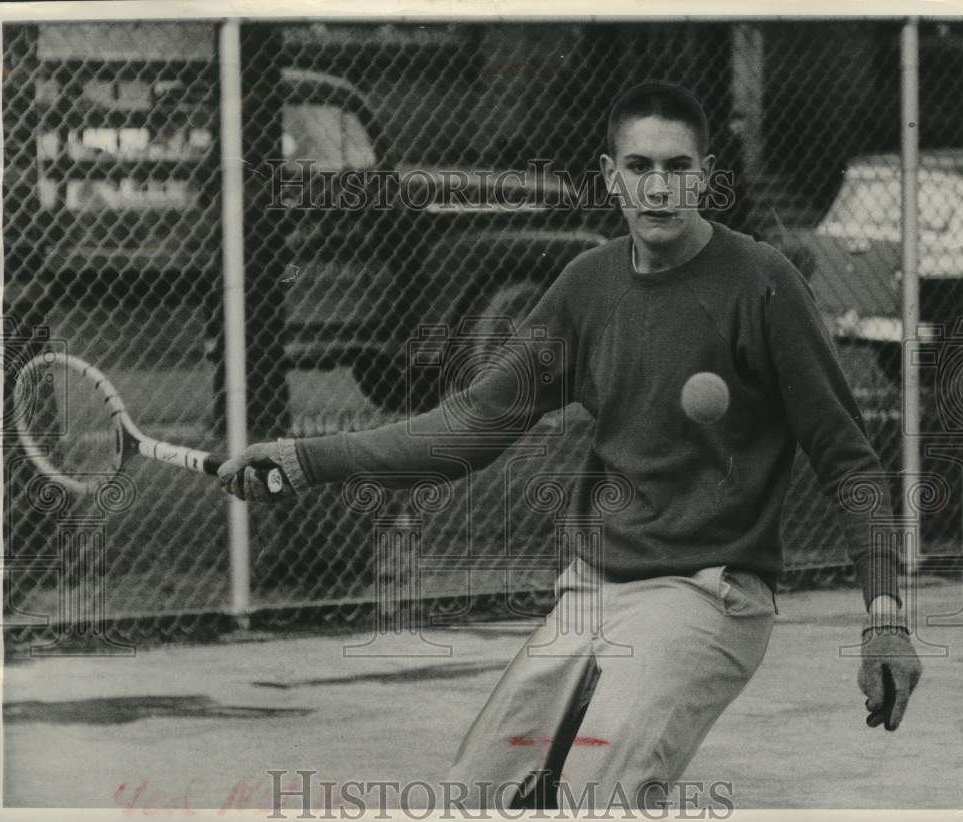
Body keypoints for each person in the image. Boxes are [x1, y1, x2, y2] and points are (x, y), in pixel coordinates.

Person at [219, 82, 922, 810]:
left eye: (677, 166)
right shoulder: (587, 286)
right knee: (477, 794)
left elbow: (850, 461)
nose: (658, 186)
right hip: (593, 591)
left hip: (708, 595)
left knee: (598, 792)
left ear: (705, 176)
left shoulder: (763, 286)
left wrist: (884, 619)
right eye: (639, 166)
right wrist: (308, 459)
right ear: (611, 173)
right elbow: (467, 426)